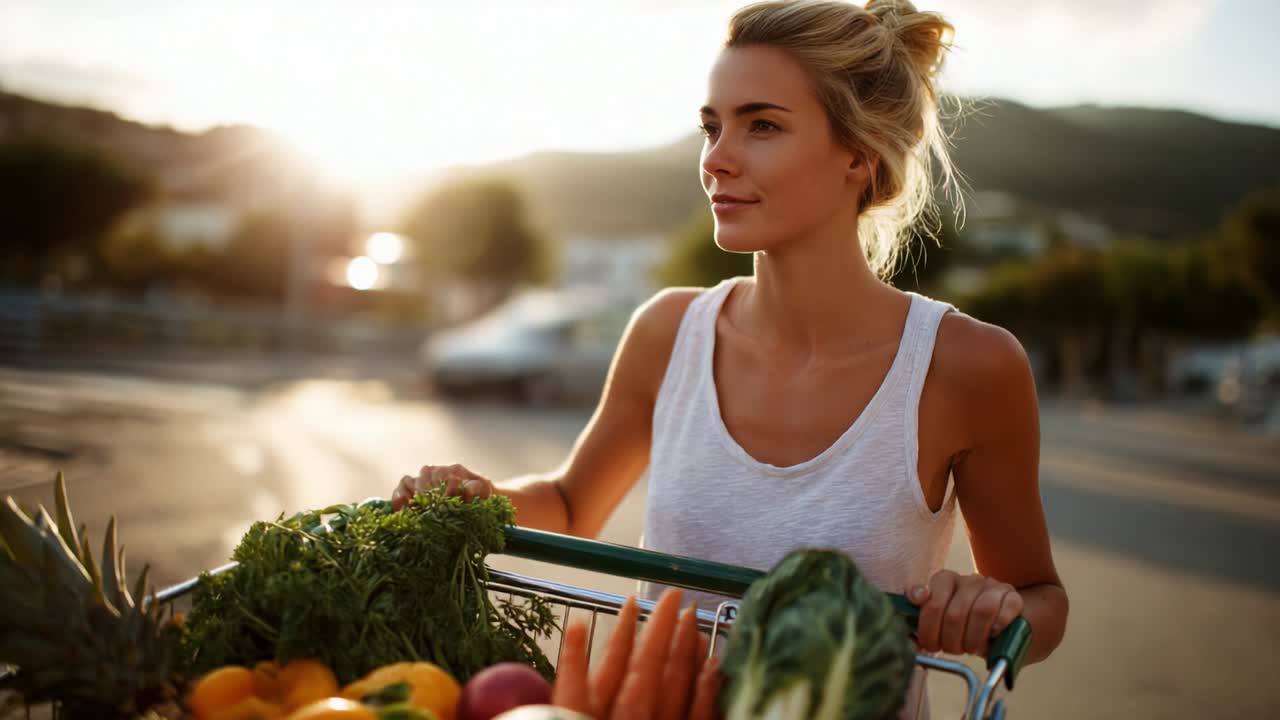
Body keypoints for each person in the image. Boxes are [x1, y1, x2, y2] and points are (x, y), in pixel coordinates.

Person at [395, 0, 1068, 716]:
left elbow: (1040, 601)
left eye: (763, 125)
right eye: (712, 127)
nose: (717, 158)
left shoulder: (967, 366)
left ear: (858, 154)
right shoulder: (667, 330)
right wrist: (479, 497)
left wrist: (991, 604)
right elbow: (570, 504)